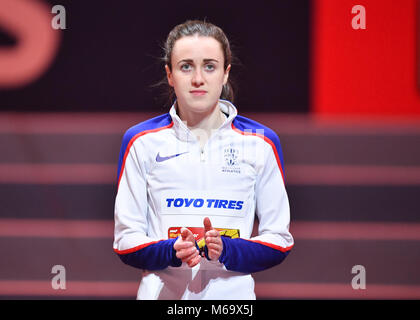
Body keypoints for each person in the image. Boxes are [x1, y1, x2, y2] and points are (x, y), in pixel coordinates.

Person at [113, 20, 294, 300]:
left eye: (209, 66)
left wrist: (228, 250)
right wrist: (171, 251)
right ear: (170, 74)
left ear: (225, 74)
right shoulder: (141, 141)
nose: (198, 78)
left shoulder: (261, 141)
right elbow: (125, 241)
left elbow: (279, 240)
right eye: (186, 66)